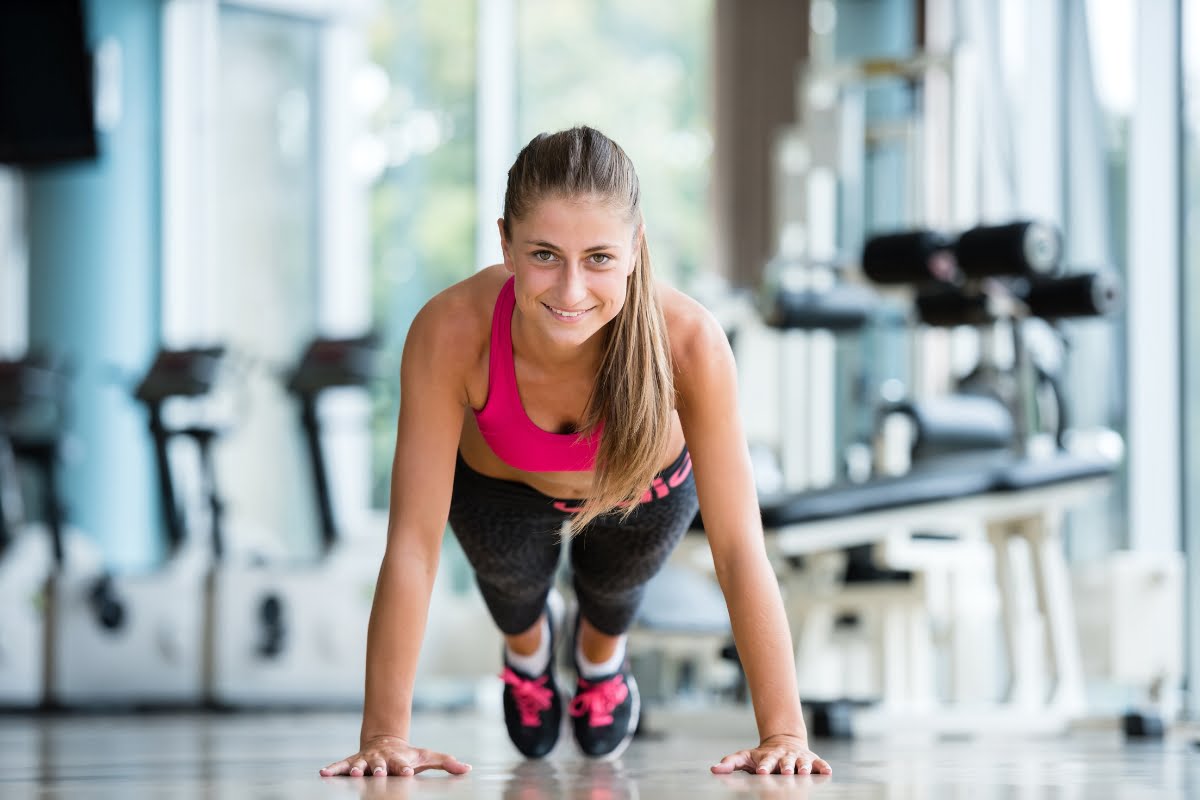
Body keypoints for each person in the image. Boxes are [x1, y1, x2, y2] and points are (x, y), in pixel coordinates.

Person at [319, 126, 832, 778]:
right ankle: (529, 649)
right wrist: (384, 735)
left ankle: (599, 654)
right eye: (543, 255)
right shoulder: (449, 331)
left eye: (597, 258)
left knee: (612, 593)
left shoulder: (691, 345)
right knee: (514, 591)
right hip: (501, 488)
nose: (569, 292)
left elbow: (738, 551)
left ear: (635, 248)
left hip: (641, 492)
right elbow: (414, 548)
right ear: (504, 241)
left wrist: (783, 730)